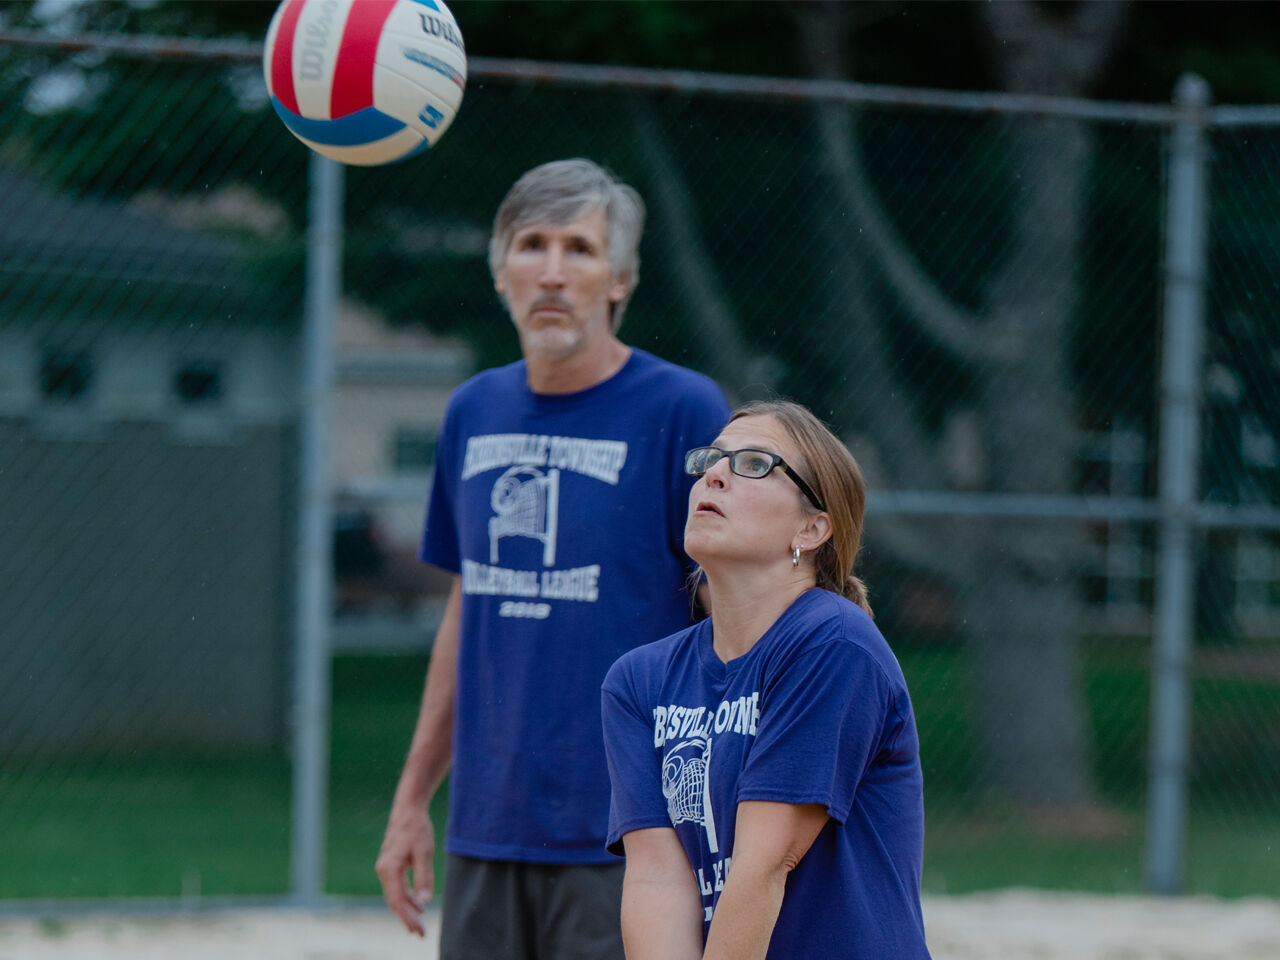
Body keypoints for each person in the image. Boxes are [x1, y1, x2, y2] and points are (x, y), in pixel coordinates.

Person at [376, 158, 731, 959]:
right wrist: (410, 802)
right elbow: (469, 611)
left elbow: (728, 613)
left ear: (621, 279)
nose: (553, 271)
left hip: (629, 830)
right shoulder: (473, 410)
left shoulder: (683, 409)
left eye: (579, 248)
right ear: (501, 272)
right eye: (531, 245)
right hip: (487, 825)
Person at [601, 399, 932, 959]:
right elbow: (658, 880)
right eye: (711, 459)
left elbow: (766, 862)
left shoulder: (832, 643)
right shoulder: (638, 680)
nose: (714, 474)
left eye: (753, 464)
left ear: (812, 527)